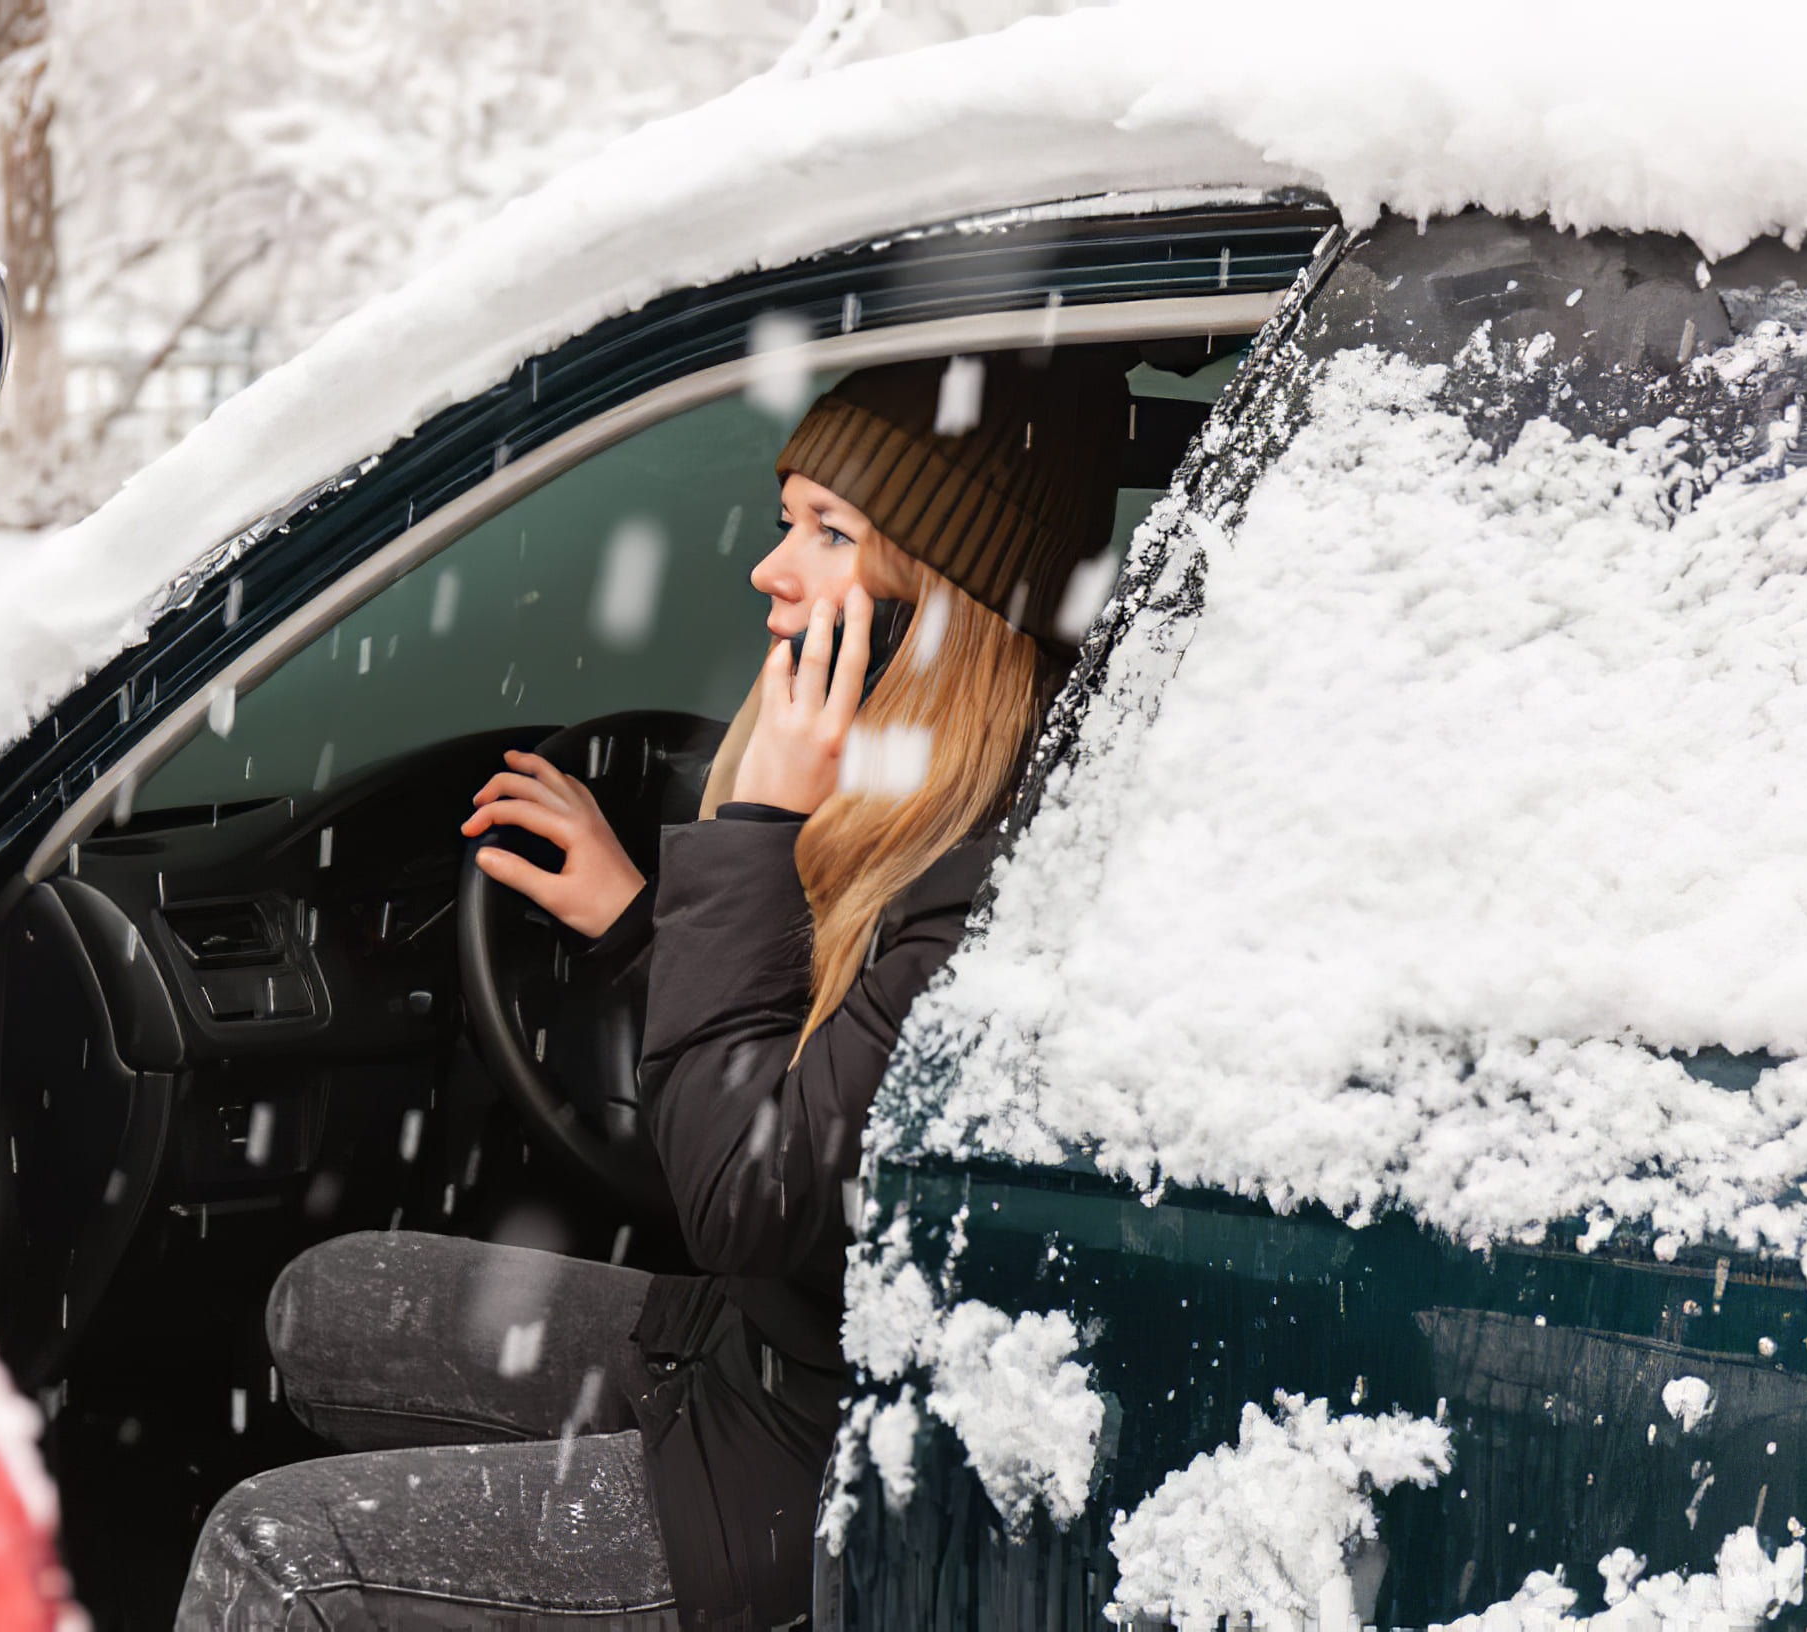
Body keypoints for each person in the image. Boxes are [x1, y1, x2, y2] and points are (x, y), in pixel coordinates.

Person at [177, 351, 1128, 1630]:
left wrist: (752, 828)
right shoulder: (920, 827)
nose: (769, 569)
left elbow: (749, 1197)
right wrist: (637, 927)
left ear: (939, 603)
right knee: (325, 1301)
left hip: (822, 1470)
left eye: (827, 534)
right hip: (768, 1359)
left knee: (275, 1552)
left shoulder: (987, 883)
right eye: (787, 521)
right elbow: (810, 1077)